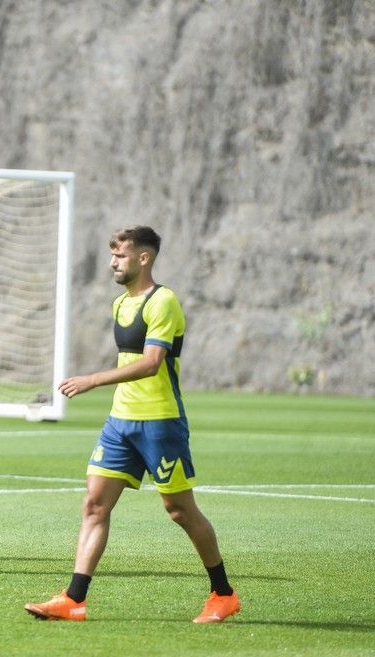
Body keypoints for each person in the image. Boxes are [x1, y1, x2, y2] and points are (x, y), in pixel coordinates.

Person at [25, 226, 240, 623]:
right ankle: (74, 599)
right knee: (94, 504)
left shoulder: (164, 302)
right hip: (120, 422)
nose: (112, 263)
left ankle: (223, 593)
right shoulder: (120, 304)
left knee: (179, 510)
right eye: (112, 255)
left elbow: (151, 362)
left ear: (144, 258)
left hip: (160, 422)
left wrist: (91, 379)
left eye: (120, 256)